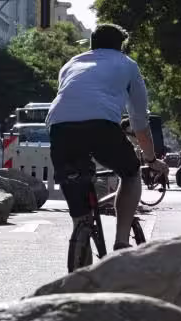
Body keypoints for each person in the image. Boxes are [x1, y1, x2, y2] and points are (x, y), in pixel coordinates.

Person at [47, 23, 168, 251]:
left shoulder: (70, 64)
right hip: (101, 126)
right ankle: (121, 242)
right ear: (121, 46)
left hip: (60, 127)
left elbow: (72, 102)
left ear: (93, 43)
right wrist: (151, 160)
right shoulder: (127, 65)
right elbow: (139, 122)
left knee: (76, 191)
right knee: (131, 175)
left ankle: (81, 244)